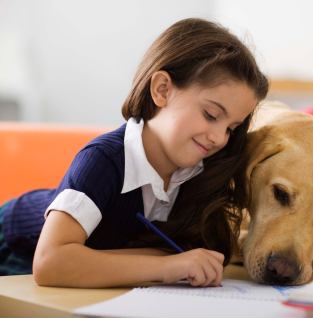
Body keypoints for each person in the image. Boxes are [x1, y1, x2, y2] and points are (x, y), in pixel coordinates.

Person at [0, 18, 269, 288]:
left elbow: (188, 251)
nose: (219, 138)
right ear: (162, 90)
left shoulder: (203, 173)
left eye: (231, 129)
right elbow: (50, 263)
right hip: (17, 248)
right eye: (211, 115)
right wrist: (168, 265)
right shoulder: (104, 160)